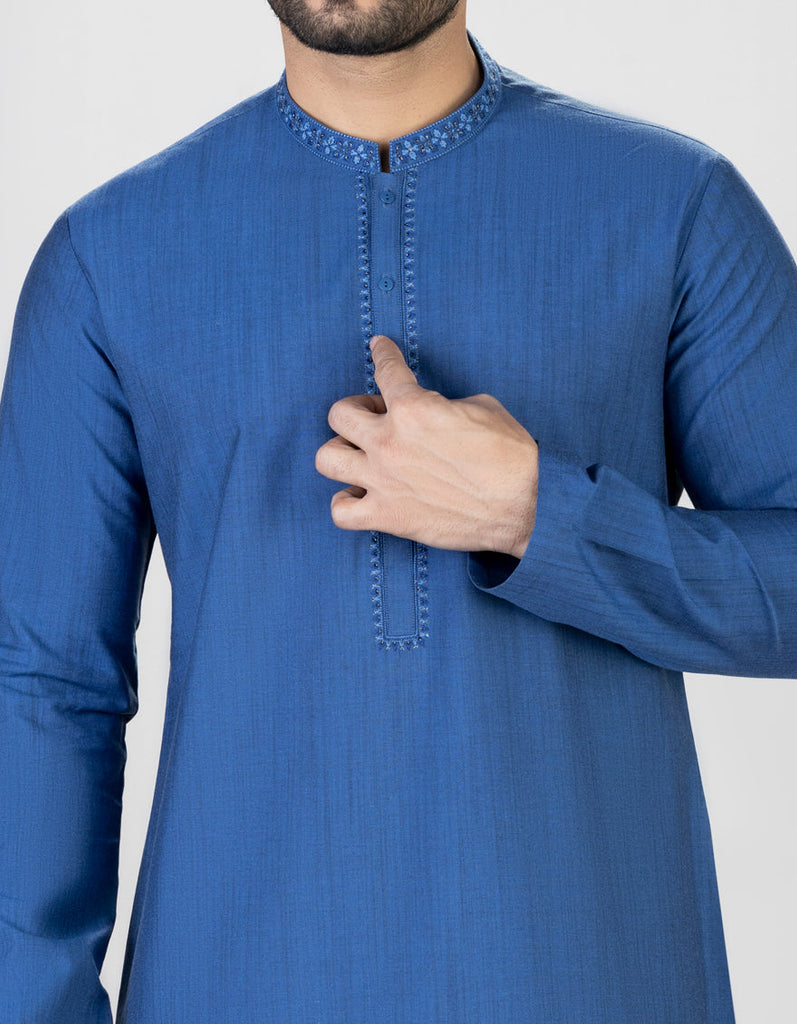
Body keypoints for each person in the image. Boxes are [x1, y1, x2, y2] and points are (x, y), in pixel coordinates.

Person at [0, 1, 795, 1020]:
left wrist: (539, 514)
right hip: (236, 983)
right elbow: (41, 691)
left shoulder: (673, 206)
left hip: (590, 979)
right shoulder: (108, 255)